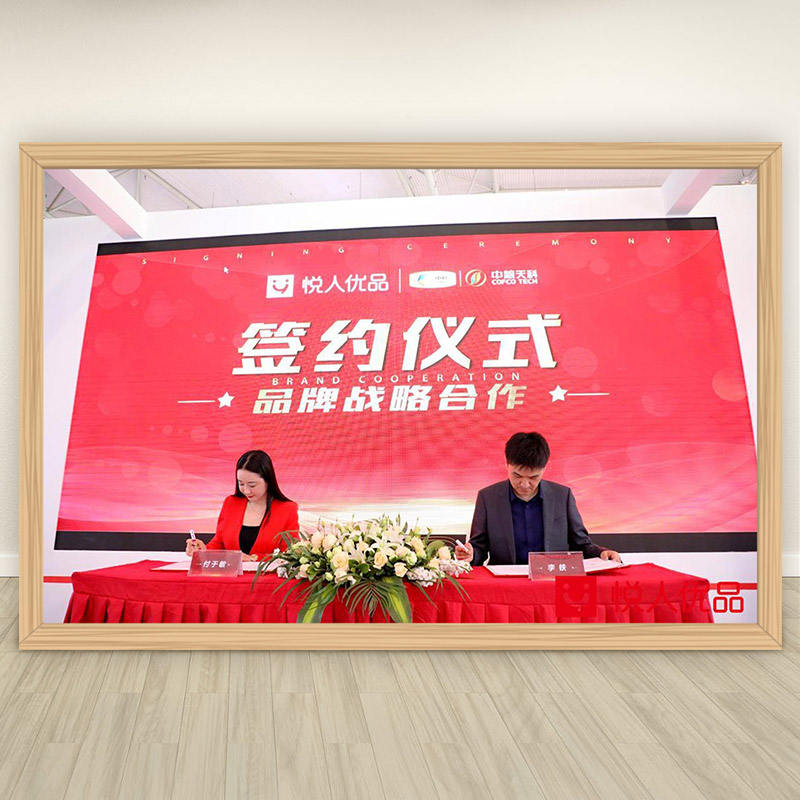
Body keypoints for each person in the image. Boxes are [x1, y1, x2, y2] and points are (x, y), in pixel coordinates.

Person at [455, 432, 621, 566]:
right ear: (507, 465)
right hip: (505, 583)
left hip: (552, 580)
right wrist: (471, 554)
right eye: (517, 476)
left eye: (533, 477)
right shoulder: (488, 498)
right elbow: (479, 547)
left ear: (544, 468)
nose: (524, 484)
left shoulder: (562, 496)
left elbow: (581, 544)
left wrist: (601, 553)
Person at [185, 450, 298, 561]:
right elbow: (219, 543)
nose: (246, 491)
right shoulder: (231, 503)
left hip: (266, 573)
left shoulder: (287, 509)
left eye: (252, 485)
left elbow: (289, 553)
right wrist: (203, 550)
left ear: (268, 481)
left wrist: (253, 558)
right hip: (231, 572)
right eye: (241, 484)